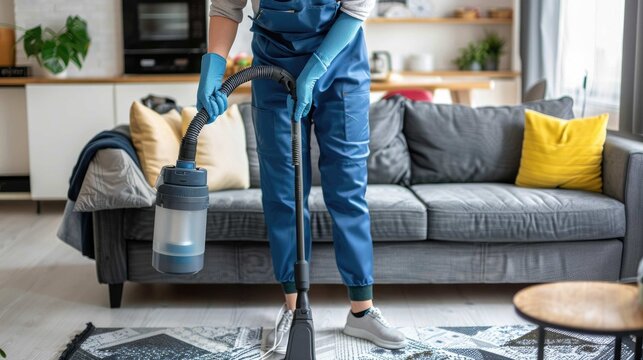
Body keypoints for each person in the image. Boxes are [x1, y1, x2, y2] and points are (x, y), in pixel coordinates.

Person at [198, 0, 407, 354]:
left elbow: (356, 9)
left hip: (341, 65)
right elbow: (226, 7)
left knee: (347, 189)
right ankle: (295, 309)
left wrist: (317, 67)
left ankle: (362, 310)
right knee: (283, 192)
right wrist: (214, 66)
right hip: (273, 66)